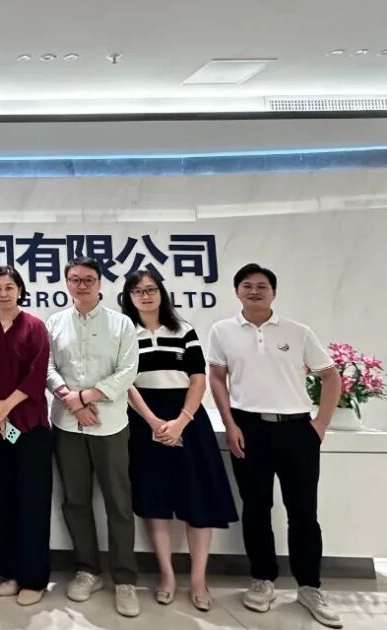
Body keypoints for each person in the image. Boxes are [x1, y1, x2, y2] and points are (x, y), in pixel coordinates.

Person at [206, 263, 343, 629]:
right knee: (256, 508)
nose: (254, 291)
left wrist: (320, 424)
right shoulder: (222, 331)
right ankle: (262, 579)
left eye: (262, 286)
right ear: (237, 291)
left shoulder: (297, 331)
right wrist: (230, 423)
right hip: (248, 428)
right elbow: (216, 378)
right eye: (247, 285)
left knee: (303, 512)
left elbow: (330, 376)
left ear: (273, 292)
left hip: (297, 429)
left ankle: (309, 587)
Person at [121, 269, 237, 612]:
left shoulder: (183, 329)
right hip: (144, 419)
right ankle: (167, 575)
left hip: (187, 417)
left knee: (197, 499)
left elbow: (198, 379)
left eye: (151, 289)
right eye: (138, 291)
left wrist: (181, 421)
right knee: (154, 501)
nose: (145, 295)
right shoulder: (125, 333)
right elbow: (126, 383)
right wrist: (154, 422)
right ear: (129, 297)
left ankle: (199, 579)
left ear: (162, 293)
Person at [46, 256, 140, 617]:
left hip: (109, 425)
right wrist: (70, 399)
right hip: (67, 425)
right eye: (75, 279)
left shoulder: (121, 323)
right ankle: (88, 570)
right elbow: (48, 368)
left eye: (88, 279)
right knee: (75, 501)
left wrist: (86, 397)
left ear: (100, 283)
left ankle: (125, 579)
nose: (81, 285)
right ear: (67, 283)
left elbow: (128, 371)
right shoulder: (56, 322)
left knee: (118, 503)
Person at [0, 266, 53, 607]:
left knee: (32, 502)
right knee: (3, 499)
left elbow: (38, 374)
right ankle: (9, 571)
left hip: (30, 427)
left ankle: (33, 579)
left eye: (9, 287)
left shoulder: (35, 326)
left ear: (20, 290)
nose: (3, 293)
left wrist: (5, 405)